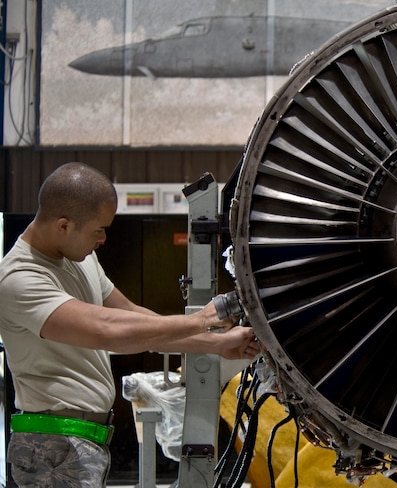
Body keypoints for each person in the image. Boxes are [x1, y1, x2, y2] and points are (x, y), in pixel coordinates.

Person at [0, 162, 261, 486]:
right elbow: (107, 331)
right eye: (98, 230)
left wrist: (214, 342)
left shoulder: (79, 259)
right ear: (64, 226)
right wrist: (202, 318)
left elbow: (136, 321)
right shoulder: (19, 279)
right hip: (52, 447)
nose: (103, 240)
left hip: (84, 441)